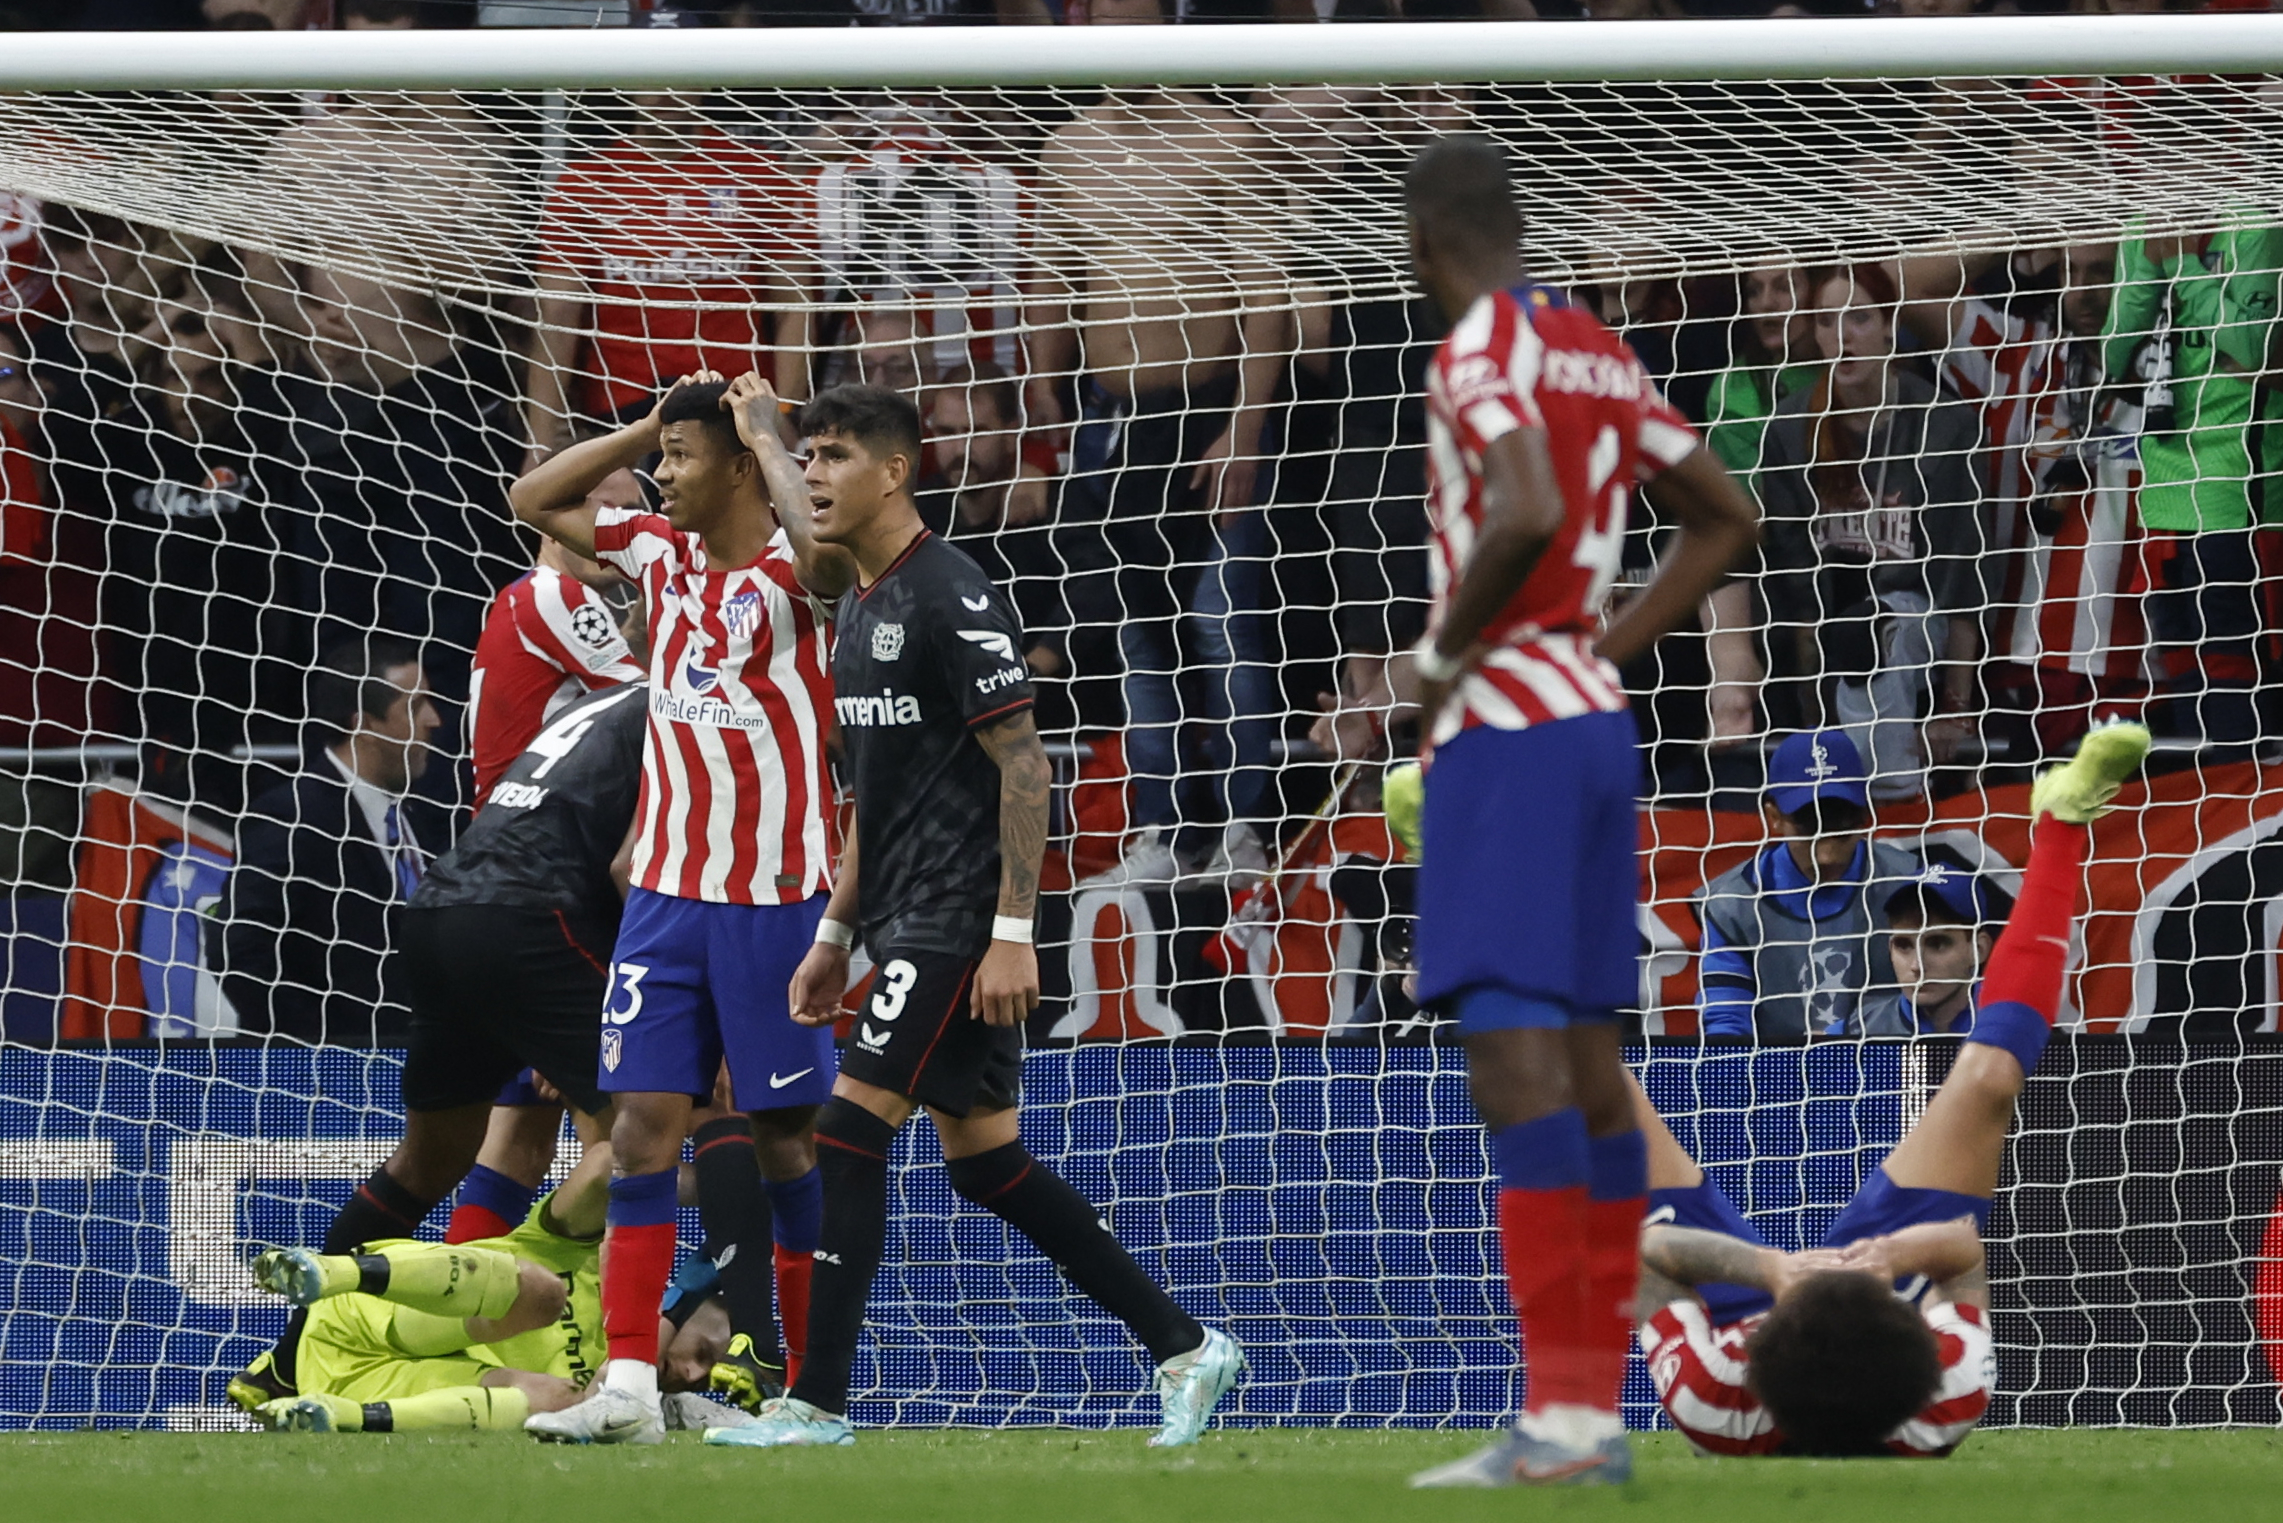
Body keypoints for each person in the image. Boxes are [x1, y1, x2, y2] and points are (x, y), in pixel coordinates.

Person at [703, 380, 1243, 1451]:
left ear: (895, 472)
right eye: (805, 459)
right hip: (900, 914)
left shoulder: (949, 593)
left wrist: (1011, 928)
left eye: (835, 456)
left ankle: (814, 1401)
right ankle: (1185, 1344)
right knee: (985, 1160)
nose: (812, 475)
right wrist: (832, 935)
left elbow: (1025, 762)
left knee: (848, 1130)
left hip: (958, 919)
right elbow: (880, 801)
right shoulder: (855, 599)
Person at [1397, 136, 1759, 1488]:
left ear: (1423, 239)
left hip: (1501, 727)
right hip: (1593, 727)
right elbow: (1724, 514)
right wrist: (1602, 649)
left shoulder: (1479, 344)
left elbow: (1524, 504)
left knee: (1512, 1055)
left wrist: (1436, 660)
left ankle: (1560, 1418)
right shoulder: (1595, 348)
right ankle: (1586, 1418)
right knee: (1590, 1060)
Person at [1637, 722, 2150, 1457]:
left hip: (1768, 1289)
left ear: (1765, 1335)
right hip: (1876, 1280)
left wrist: (1771, 1270)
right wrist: (1885, 1261)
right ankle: (2062, 819)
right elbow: (1963, 1252)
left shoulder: (1715, 1396)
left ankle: (1454, 874)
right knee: (1992, 1077)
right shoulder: (1943, 1397)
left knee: (1596, 1088)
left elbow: (1648, 1252)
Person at [506, 373, 854, 1446]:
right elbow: (532, 497)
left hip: (776, 902)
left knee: (790, 1146)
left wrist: (762, 432)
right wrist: (651, 424)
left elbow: (836, 558)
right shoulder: (655, 551)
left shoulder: (801, 572)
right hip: (663, 899)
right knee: (645, 1132)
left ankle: (809, 1386)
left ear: (744, 465)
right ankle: (627, 1385)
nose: (664, 475)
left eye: (684, 458)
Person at [1031, 86, 1289, 886]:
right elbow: (1051, 272)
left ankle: (1246, 825)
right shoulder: (1067, 149)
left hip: (1208, 412)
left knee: (1220, 624)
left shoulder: (1225, 140)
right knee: (1140, 636)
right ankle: (1162, 828)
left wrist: (1243, 427)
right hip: (1111, 417)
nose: (1111, 13)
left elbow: (1266, 288)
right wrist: (1043, 383)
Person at [242, 1141, 737, 1436]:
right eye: (706, 1352)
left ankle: (340, 1417)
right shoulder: (587, 1262)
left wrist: (668, 1323)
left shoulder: (617, 1386)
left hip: (359, 1387)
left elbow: (598, 1406)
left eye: (707, 1376)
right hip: (365, 1305)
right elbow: (608, 1164)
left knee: (565, 1404)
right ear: (687, 1291)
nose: (694, 1373)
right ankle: (327, 1273)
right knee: (543, 1293)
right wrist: (734, 1197)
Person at [1759, 263, 1985, 801]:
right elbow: (1797, 590)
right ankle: (1876, 790)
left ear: (1889, 326)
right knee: (1847, 628)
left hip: (1916, 621)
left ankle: (1886, 797)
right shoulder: (1791, 429)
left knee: (1876, 627)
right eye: (1826, 321)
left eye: (1858, 318)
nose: (1842, 337)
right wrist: (1809, 711)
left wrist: (1958, 706)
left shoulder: (1943, 423)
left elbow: (1962, 578)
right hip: (1829, 630)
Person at [527, 92, 812, 463]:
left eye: (679, 73)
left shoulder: (758, 171)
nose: (666, 91)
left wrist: (784, 412)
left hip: (736, 407)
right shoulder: (585, 182)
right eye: (650, 75)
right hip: (622, 413)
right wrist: (540, 443)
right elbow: (557, 313)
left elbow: (796, 304)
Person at [2100, 212, 2283, 749]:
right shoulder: (2144, 225)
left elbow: (2253, 347)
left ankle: (2257, 831)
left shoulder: (2258, 224)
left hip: (2238, 502)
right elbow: (2116, 359)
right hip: (2162, 507)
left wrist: (2179, 262)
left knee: (2241, 705)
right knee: (2193, 705)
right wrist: (2150, 261)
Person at [207, 638, 442, 1047]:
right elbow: (240, 952)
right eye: (416, 705)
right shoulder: (291, 816)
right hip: (326, 1083)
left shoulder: (414, 820)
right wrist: (319, 1052)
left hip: (414, 1074)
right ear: (364, 723)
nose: (434, 720)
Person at [1696, 729, 1924, 1041]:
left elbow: (1936, 999)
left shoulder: (1909, 882)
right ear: (1773, 816)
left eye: (1842, 828)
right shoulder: (1733, 903)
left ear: (1866, 814)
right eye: (1809, 829)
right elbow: (1725, 1022)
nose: (1827, 855)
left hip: (1887, 1064)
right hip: (1772, 1075)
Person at [467, 470, 644, 812]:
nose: (625, 533)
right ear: (553, 522)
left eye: (633, 516)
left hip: (513, 832)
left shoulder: (527, 595)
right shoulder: (555, 594)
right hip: (526, 835)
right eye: (608, 513)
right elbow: (649, 706)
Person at [1882, 859, 2003, 1037]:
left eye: (1937, 944)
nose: (1917, 966)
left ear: (1979, 949)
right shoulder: (1852, 1031)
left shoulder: (2019, 1031)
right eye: (1903, 945)